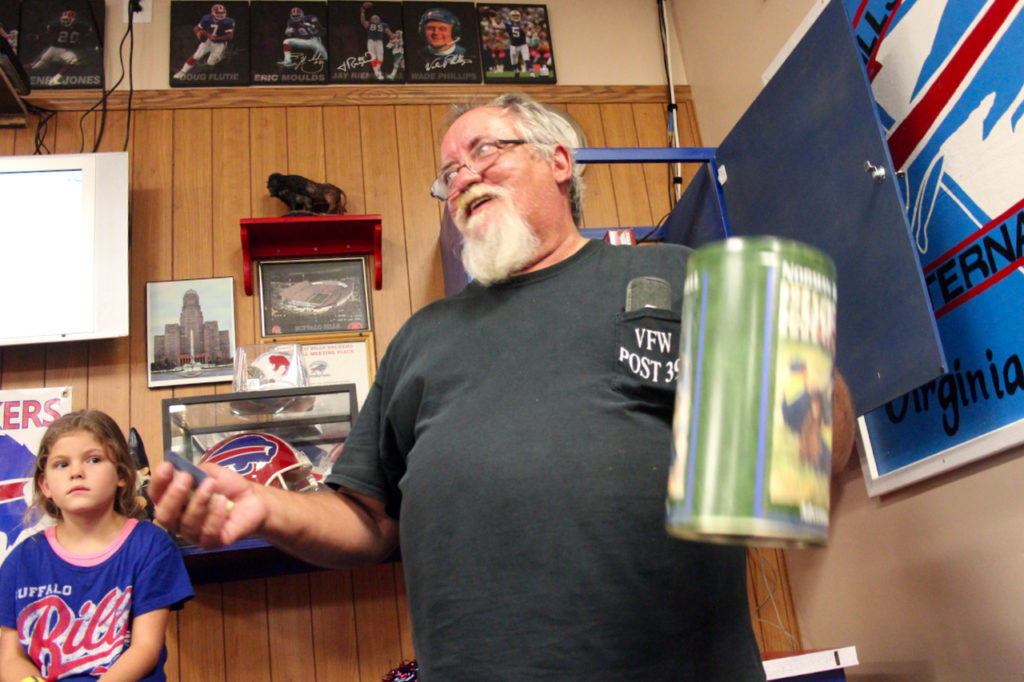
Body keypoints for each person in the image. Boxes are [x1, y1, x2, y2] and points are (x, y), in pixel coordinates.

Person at [150, 93, 855, 680]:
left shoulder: (675, 275)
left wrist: (804, 378)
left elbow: (806, 472)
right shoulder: (422, 339)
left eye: (485, 150)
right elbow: (366, 520)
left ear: (558, 162)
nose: (461, 175)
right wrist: (268, 509)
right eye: (448, 171)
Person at [0, 410, 193, 681]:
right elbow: (9, 658)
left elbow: (145, 648)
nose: (77, 472)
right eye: (61, 464)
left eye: (93, 459)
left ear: (122, 474)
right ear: (45, 485)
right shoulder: (21, 560)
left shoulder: (150, 544)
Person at [27, 9, 95, 86]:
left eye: (68, 19)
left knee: (73, 60)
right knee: (35, 66)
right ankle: (17, 73)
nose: (65, 21)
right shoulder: (56, 25)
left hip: (61, 50)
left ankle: (56, 79)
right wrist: (39, 36)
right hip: (55, 48)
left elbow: (89, 35)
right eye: (64, 20)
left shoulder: (82, 26)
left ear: (74, 20)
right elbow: (48, 33)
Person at [173, 3, 236, 80]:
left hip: (220, 43)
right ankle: (182, 72)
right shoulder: (207, 18)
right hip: (208, 41)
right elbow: (196, 28)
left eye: (222, 13)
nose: (220, 15)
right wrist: (199, 34)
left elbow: (230, 36)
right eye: (218, 13)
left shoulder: (228, 21)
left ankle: (221, 56)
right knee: (196, 56)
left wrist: (217, 38)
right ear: (213, 12)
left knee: (210, 62)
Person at [488, 7, 534, 77]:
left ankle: (531, 72)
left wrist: (524, 30)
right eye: (514, 16)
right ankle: (516, 70)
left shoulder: (524, 23)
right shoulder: (507, 23)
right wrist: (493, 19)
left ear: (520, 16)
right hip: (513, 45)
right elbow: (496, 27)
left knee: (526, 58)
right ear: (510, 17)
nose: (515, 17)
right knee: (514, 62)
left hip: (523, 45)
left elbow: (530, 35)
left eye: (517, 16)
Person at [360, 2, 395, 81]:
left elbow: (389, 33)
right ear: (371, 19)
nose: (375, 17)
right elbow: (363, 22)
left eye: (377, 17)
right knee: (373, 57)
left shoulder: (383, 25)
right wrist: (362, 12)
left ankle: (377, 70)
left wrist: (395, 36)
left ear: (380, 19)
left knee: (380, 58)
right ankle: (377, 73)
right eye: (374, 17)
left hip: (379, 41)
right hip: (371, 41)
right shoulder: (369, 23)